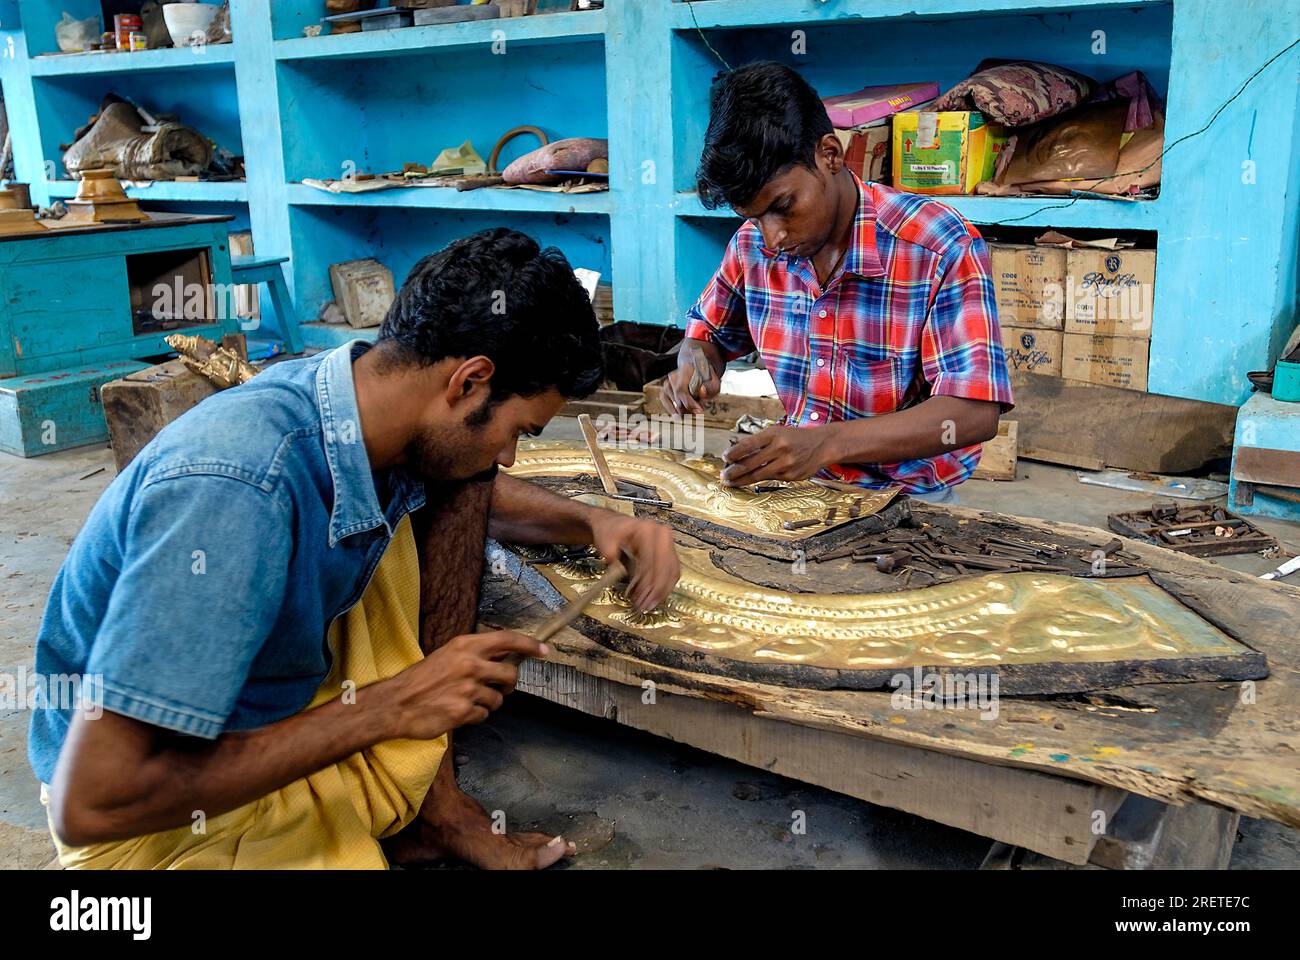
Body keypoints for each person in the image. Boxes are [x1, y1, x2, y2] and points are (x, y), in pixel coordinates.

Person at [29, 227, 680, 869]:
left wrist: (594, 522)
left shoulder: (360, 395)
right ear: (470, 381)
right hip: (149, 820)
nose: (510, 454)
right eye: (518, 431)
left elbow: (475, 475)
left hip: (266, 724)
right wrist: (395, 705)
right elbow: (94, 804)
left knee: (463, 477)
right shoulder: (234, 490)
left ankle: (435, 812)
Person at [661, 61, 1014, 503]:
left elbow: (974, 414)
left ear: (830, 154)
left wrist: (827, 443)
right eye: (754, 217)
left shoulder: (938, 245)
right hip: (797, 487)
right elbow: (706, 335)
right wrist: (695, 366)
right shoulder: (753, 245)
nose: (774, 236)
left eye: (784, 206)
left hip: (906, 498)